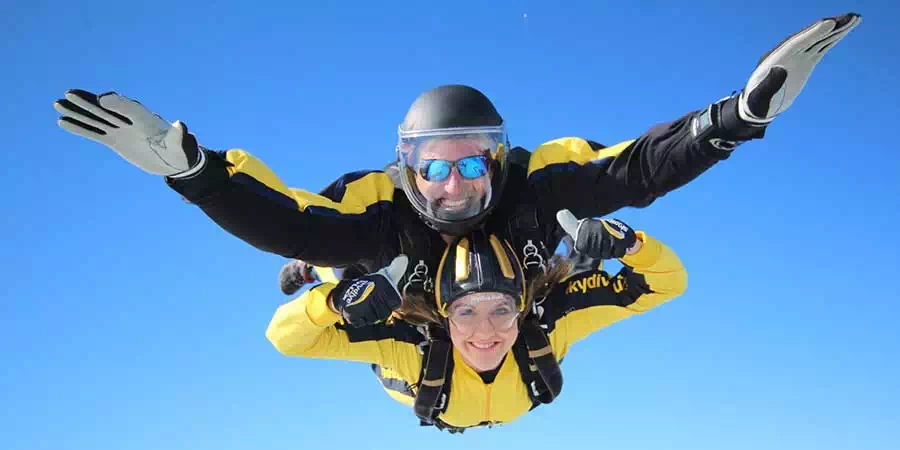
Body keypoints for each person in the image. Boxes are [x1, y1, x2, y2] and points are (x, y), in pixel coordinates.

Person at [53, 13, 861, 295]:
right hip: (413, 307)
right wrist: (195, 175)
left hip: (516, 294)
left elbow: (636, 169)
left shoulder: (533, 184)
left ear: (500, 160)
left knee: (564, 254)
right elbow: (287, 219)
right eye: (433, 165)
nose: (453, 184)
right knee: (334, 259)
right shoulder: (376, 207)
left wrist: (735, 118)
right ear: (406, 168)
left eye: (474, 161)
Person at [265, 209, 688, 432]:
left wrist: (632, 245)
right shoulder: (406, 344)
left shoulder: (550, 319)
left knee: (572, 263)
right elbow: (284, 339)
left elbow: (666, 284)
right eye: (466, 311)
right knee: (362, 279)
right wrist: (334, 301)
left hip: (515, 304)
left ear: (522, 308)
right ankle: (312, 266)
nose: (485, 331)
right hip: (413, 329)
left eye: (502, 310)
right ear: (445, 315)